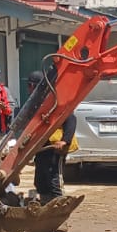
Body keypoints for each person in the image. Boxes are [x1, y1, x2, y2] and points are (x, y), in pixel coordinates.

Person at [27, 72, 77, 203]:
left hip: (55, 147)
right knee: (40, 180)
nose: (29, 89)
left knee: (54, 178)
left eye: (31, 86)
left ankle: (59, 203)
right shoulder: (34, 104)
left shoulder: (56, 101)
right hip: (41, 147)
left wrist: (65, 140)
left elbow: (71, 120)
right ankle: (45, 204)